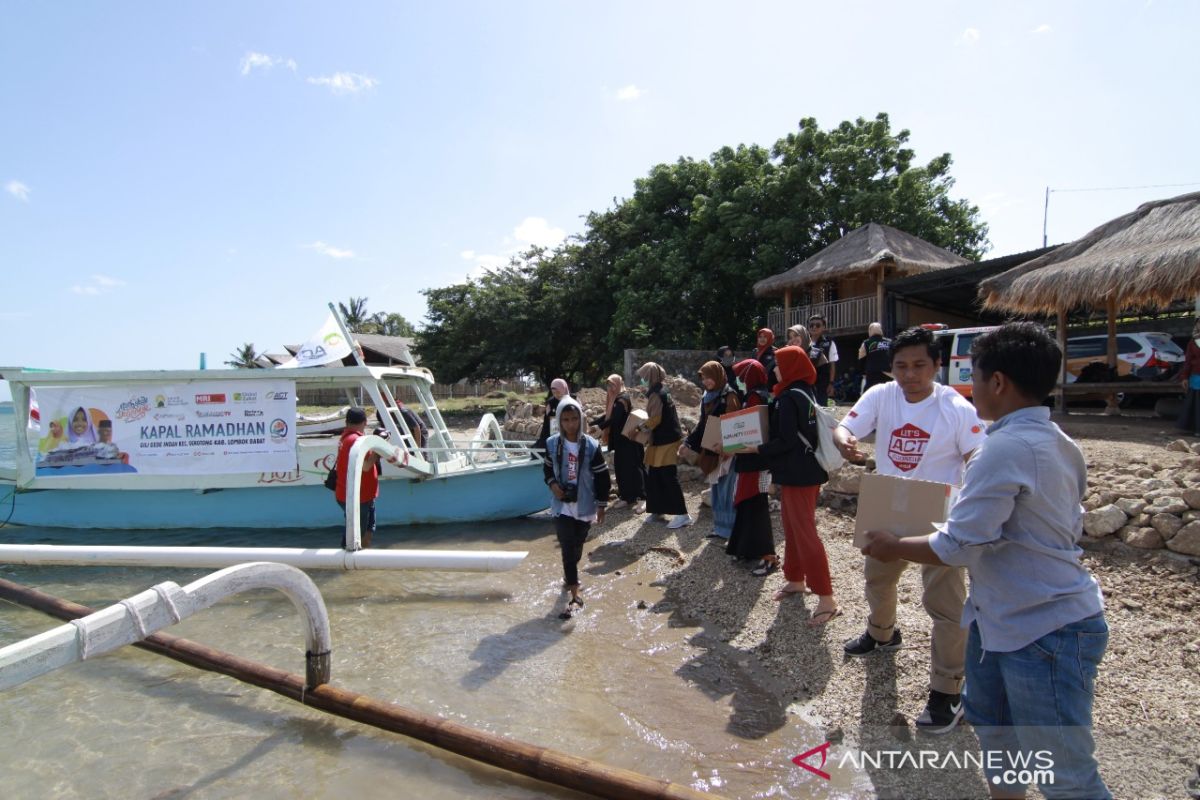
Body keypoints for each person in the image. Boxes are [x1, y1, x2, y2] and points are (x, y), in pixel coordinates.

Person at [862, 322, 1112, 798]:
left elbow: (961, 545)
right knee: (1001, 743)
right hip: (1001, 620)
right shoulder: (1061, 441)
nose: (968, 386)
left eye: (973, 375)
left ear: (997, 382)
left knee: (1066, 776)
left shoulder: (1002, 448)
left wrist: (892, 545)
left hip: (1043, 628)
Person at [834, 325, 987, 734]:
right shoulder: (881, 395)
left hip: (939, 514)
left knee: (946, 604)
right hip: (887, 505)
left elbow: (978, 453)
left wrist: (972, 491)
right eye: (901, 366)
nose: (909, 374)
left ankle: (948, 688)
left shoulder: (954, 405)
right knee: (877, 580)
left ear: (937, 365)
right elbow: (846, 425)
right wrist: (845, 439)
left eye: (920, 365)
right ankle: (882, 634)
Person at [738, 346, 838, 626]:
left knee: (804, 532)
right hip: (805, 471)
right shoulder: (804, 391)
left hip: (799, 474)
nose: (773, 368)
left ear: (792, 366)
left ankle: (827, 598)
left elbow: (788, 441)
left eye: (778, 363)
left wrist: (757, 449)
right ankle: (795, 579)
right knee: (792, 527)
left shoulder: (788, 397)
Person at [543, 397, 611, 618]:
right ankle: (575, 592)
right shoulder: (552, 444)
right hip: (562, 505)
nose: (571, 424)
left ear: (581, 419)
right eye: (565, 420)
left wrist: (602, 505)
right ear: (560, 421)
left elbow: (602, 477)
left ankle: (569, 574)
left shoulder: (591, 445)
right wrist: (553, 485)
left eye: (574, 419)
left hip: (585, 503)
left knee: (577, 546)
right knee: (566, 546)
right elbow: (547, 471)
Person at [725, 359, 777, 574]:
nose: (739, 380)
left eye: (741, 376)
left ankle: (768, 555)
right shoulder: (761, 394)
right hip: (755, 460)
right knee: (750, 504)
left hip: (754, 461)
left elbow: (748, 431)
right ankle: (746, 548)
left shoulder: (756, 397)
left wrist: (730, 443)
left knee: (755, 505)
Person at [682, 361, 740, 539]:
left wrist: (730, 446)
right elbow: (702, 424)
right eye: (703, 378)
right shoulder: (708, 397)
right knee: (715, 488)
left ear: (717, 376)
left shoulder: (730, 396)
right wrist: (688, 443)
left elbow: (735, 422)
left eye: (709, 377)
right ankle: (720, 527)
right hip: (712, 448)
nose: (706, 381)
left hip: (727, 450)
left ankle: (730, 529)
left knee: (727, 489)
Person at [635, 362, 691, 528]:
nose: (642, 380)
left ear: (650, 377)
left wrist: (638, 429)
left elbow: (655, 419)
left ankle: (683, 514)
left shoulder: (657, 394)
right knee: (655, 476)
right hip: (663, 439)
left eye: (644, 377)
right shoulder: (663, 390)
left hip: (665, 440)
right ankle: (657, 510)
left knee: (668, 476)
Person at [335, 407, 397, 549]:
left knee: (367, 532)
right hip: (358, 498)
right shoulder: (355, 441)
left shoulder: (347, 437)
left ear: (346, 422)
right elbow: (366, 466)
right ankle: (347, 564)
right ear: (365, 422)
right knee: (354, 537)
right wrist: (379, 447)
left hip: (358, 495)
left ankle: (360, 565)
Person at [590, 374, 645, 509]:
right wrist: (593, 422)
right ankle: (626, 497)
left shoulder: (623, 398)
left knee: (633, 468)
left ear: (619, 384)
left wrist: (599, 427)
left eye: (613, 384)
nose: (610, 388)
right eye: (608, 385)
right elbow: (608, 415)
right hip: (620, 440)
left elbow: (615, 418)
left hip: (629, 439)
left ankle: (643, 498)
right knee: (621, 468)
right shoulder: (615, 399)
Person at [808, 315, 838, 407]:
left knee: (822, 406)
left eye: (817, 325)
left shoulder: (829, 342)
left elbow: (832, 364)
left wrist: (831, 383)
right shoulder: (804, 341)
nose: (814, 327)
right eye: (811, 325)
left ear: (823, 327)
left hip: (822, 381)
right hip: (807, 380)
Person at [534, 378, 571, 453]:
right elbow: (548, 422)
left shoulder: (572, 400)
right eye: (553, 393)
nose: (556, 395)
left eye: (558, 392)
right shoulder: (551, 403)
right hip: (553, 434)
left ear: (563, 389)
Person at [1178, 318, 1200, 436]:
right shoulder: (1193, 343)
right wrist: (1184, 377)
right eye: (1198, 324)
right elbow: (1187, 361)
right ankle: (1197, 429)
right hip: (1196, 376)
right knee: (1197, 405)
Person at [858, 322, 892, 391]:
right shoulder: (890, 342)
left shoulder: (866, 343)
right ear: (880, 330)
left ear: (870, 331)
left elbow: (861, 359)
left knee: (870, 395)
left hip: (872, 374)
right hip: (889, 374)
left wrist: (863, 373)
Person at [753, 328, 777, 392]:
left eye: (765, 337)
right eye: (760, 337)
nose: (762, 339)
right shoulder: (755, 352)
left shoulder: (775, 352)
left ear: (770, 338)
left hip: (770, 389)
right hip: (756, 387)